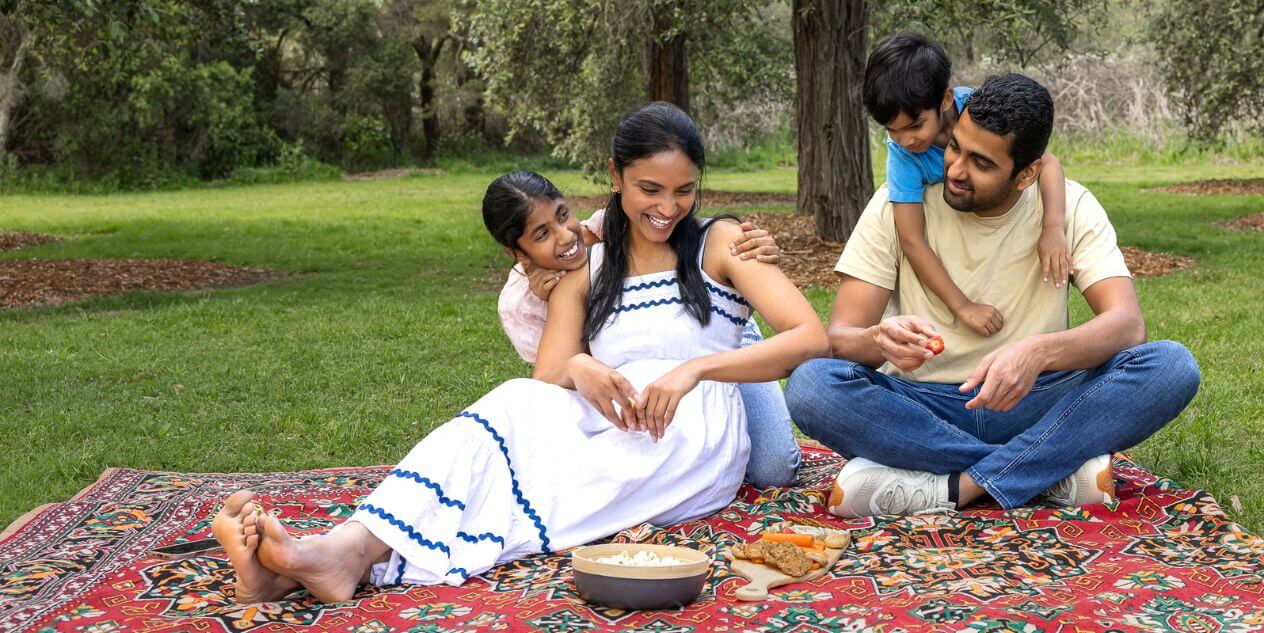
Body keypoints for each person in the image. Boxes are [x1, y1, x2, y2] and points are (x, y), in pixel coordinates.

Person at [210, 102, 828, 604]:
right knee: (509, 415)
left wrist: (694, 369)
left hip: (689, 426)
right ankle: (323, 559)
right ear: (614, 176)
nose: (667, 208)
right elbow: (547, 380)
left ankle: (340, 558)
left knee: (534, 481)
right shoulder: (587, 265)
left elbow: (808, 336)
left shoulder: (720, 242)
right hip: (609, 416)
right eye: (649, 189)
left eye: (684, 190)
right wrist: (581, 364)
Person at [785, 73, 1200, 518]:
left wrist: (1038, 353)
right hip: (923, 407)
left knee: (1171, 366)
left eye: (982, 164)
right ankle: (1047, 469)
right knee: (812, 385)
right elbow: (840, 339)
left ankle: (951, 486)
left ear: (1026, 174)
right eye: (955, 147)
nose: (956, 170)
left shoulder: (1071, 207)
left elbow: (1127, 325)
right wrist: (878, 340)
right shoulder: (897, 204)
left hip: (1037, 400)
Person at [491, 173, 802, 487]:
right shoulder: (521, 304)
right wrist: (554, 312)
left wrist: (745, 241)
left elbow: (680, 229)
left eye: (562, 215)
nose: (564, 236)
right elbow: (553, 383)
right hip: (620, 361)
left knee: (775, 470)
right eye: (542, 234)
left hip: (709, 330)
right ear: (517, 253)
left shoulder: (604, 230)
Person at [862, 32, 1072, 338]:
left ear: (946, 100)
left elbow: (1047, 162)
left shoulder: (977, 109)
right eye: (891, 130)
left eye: (914, 126)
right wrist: (963, 306)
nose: (904, 140)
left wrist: (1053, 227)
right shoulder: (903, 158)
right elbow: (911, 241)